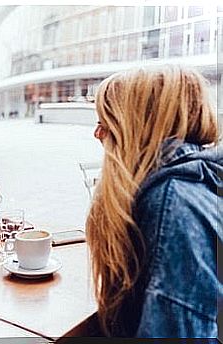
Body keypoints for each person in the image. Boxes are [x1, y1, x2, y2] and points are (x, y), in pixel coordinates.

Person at [86, 65, 222, 337]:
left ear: (137, 128)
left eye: (105, 123)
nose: (97, 134)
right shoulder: (201, 181)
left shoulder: (172, 207)